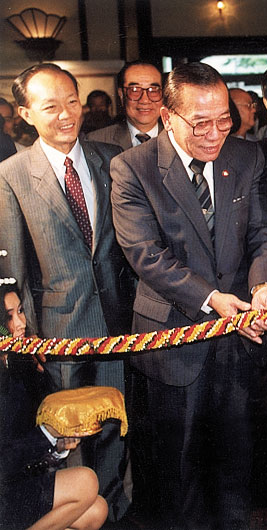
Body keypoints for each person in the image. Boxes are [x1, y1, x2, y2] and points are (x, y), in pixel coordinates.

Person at [110, 61, 267, 529]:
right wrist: (211, 299)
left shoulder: (246, 157)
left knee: (236, 467)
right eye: (200, 123)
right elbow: (145, 255)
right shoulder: (133, 167)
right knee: (178, 473)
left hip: (239, 338)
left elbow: (264, 236)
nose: (214, 134)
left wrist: (263, 286)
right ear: (168, 117)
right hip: (173, 340)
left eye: (224, 119)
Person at [0, 63, 134, 522]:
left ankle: (112, 517)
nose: (66, 114)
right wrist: (28, 340)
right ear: (25, 114)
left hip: (116, 325)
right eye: (50, 106)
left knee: (114, 433)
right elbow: (15, 269)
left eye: (72, 102)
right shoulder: (12, 174)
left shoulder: (111, 158)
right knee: (66, 440)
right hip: (57, 333)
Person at [0, 285, 108, 530]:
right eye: (8, 316)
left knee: (97, 509)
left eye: (20, 311)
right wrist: (47, 435)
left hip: (15, 487)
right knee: (86, 482)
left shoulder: (22, 363)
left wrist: (57, 447)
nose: (20, 323)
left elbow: (26, 446)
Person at [86, 60, 163, 150]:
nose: (145, 100)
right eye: (134, 90)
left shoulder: (176, 138)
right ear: (121, 95)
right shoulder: (96, 141)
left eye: (153, 90)